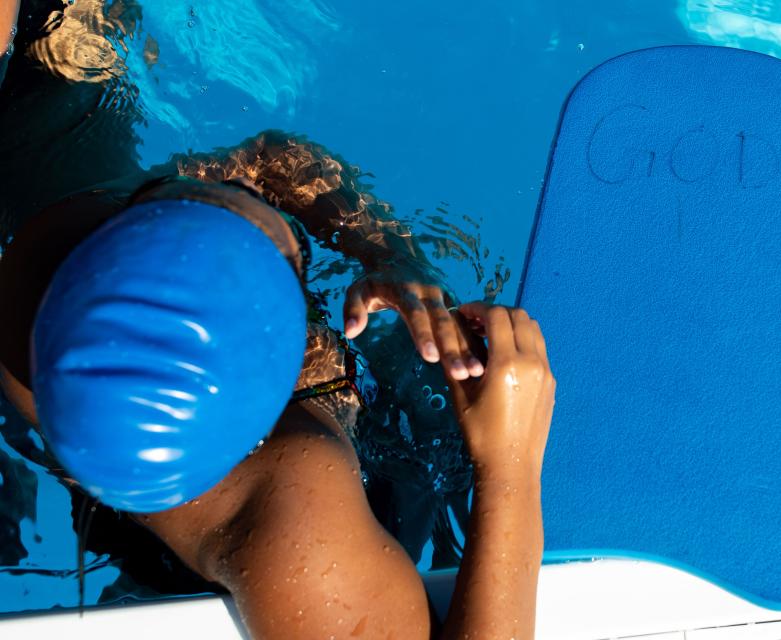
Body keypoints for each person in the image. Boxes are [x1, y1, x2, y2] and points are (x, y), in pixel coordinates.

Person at [0, 2, 556, 639]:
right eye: (293, 257)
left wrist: (389, 252)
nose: (240, 187)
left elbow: (265, 162)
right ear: (292, 359)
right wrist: (509, 467)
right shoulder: (300, 517)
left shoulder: (60, 264)